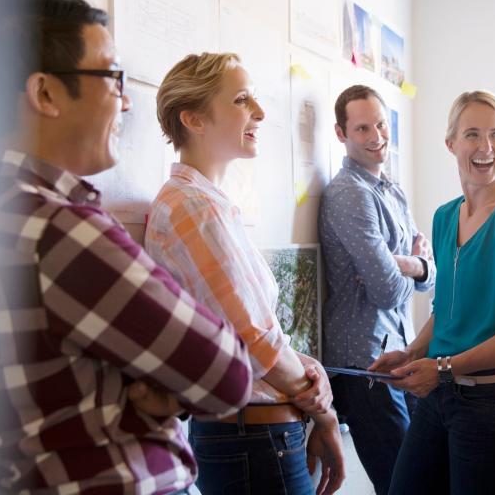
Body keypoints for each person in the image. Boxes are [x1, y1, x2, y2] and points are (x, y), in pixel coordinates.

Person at [0, 0, 254, 495]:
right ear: (45, 94)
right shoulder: (59, 228)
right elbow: (228, 374)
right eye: (113, 78)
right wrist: (166, 388)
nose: (127, 98)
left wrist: (162, 389)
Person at [144, 52, 345, 495]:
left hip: (256, 435)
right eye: (240, 100)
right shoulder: (193, 207)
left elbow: (259, 334)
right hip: (251, 438)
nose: (260, 112)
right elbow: (256, 343)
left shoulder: (207, 203)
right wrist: (325, 412)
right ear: (194, 119)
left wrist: (311, 372)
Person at [370, 90, 495, 495]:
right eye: (472, 134)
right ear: (451, 143)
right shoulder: (444, 217)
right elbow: (448, 308)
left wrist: (443, 368)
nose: (485, 147)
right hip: (442, 398)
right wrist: (414, 351)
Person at [319, 85, 435, 494]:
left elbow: (429, 278)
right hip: (364, 364)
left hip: (399, 353)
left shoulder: (390, 188)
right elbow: (388, 291)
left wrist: (408, 263)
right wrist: (413, 268)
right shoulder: (349, 193)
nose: (376, 136)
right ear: (341, 133)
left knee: (424, 480)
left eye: (381, 124)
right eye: (363, 127)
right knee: (403, 486)